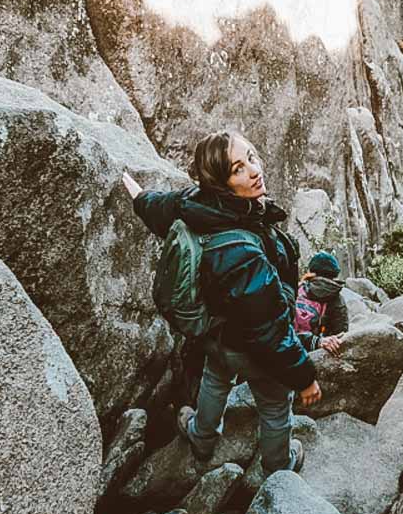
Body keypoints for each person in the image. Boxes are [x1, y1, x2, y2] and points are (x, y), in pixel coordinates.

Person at [122, 130, 323, 474]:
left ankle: (202, 437)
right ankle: (279, 467)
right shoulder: (241, 252)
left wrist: (139, 196)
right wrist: (304, 377)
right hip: (250, 345)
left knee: (215, 380)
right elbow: (270, 331)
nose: (254, 171)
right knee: (275, 404)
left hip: (216, 333)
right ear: (221, 183)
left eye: (251, 158)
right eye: (237, 169)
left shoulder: (197, 203)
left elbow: (160, 208)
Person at [295, 251, 349, 357]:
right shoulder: (336, 298)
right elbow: (341, 334)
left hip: (289, 346)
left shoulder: (297, 289)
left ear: (311, 271)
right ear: (335, 274)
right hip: (318, 351)